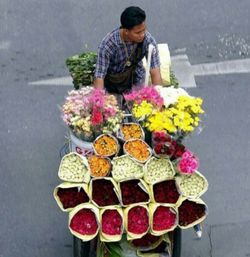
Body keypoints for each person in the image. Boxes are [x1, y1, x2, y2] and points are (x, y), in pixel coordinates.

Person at [94, 6, 162, 94]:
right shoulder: (108, 44)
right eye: (138, 32)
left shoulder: (149, 41)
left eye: (144, 30)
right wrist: (100, 101)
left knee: (140, 104)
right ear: (126, 31)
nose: (142, 35)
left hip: (136, 78)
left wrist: (159, 97)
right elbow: (99, 76)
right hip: (112, 83)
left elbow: (155, 71)